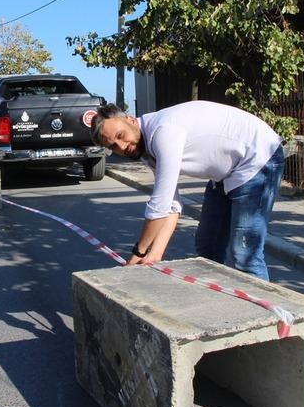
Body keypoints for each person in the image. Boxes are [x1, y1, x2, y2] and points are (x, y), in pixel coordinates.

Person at [91, 101, 284, 281]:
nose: (122, 147)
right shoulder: (145, 147)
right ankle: (221, 301)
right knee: (208, 245)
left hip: (258, 157)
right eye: (113, 146)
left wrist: (139, 252)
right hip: (227, 174)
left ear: (130, 120)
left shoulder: (163, 132)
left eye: (120, 136)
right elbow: (171, 205)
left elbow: (159, 205)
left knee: (244, 254)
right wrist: (154, 256)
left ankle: (267, 307)